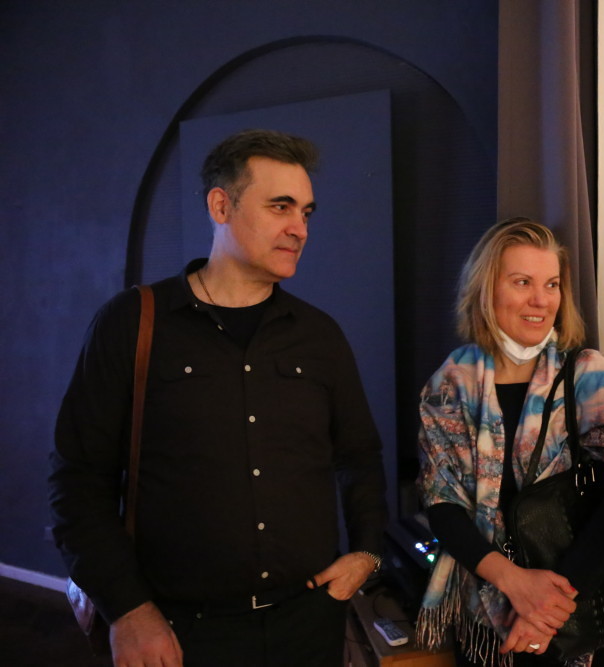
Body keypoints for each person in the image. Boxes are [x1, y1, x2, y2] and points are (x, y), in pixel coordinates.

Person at [49, 129, 388, 666]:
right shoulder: (132, 324)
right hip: (179, 634)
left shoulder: (319, 335)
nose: (299, 228)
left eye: (306, 212)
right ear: (220, 206)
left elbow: (359, 456)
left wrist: (367, 551)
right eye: (280, 207)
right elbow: (78, 482)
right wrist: (129, 611)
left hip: (307, 624)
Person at [416, 218, 604, 667]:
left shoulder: (588, 375)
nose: (541, 300)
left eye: (552, 284)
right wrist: (515, 583)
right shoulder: (450, 384)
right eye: (522, 282)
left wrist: (547, 609)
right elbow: (442, 504)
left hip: (580, 608)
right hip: (486, 611)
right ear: (487, 290)